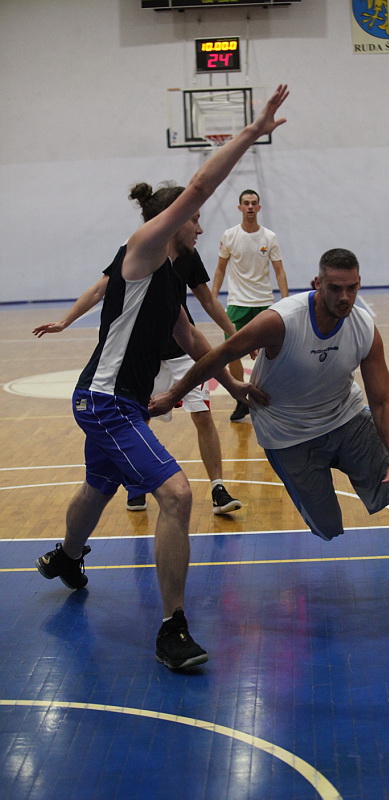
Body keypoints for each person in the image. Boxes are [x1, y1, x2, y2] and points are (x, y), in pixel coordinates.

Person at [35, 84, 289, 671]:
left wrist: (234, 385)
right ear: (173, 220)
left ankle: (67, 557)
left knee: (98, 485)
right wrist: (253, 133)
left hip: (116, 401)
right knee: (176, 494)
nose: (200, 227)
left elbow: (192, 338)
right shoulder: (145, 248)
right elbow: (198, 185)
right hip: (104, 400)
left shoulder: (170, 276)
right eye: (195, 220)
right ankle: (172, 627)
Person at [149, 247, 389, 600]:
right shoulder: (281, 321)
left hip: (346, 418)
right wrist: (177, 394)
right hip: (288, 434)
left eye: (352, 288)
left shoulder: (364, 328)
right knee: (326, 526)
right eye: (335, 288)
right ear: (317, 283)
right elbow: (221, 354)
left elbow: (382, 402)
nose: (345, 297)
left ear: (359, 284)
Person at [33, 244, 243, 516]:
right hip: (145, 356)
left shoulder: (187, 255)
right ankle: (137, 486)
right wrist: (65, 321)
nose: (198, 229)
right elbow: (99, 289)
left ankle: (218, 488)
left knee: (202, 415)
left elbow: (206, 301)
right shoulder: (136, 252)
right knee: (137, 417)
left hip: (182, 353)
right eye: (194, 223)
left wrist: (233, 333)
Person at [211, 189, 289, 422]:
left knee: (273, 353)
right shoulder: (230, 236)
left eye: (254, 203)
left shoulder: (269, 237)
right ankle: (240, 400)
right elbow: (220, 268)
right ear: (240, 208)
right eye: (246, 203)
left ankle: (271, 397)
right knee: (231, 352)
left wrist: (286, 301)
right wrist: (212, 297)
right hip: (237, 303)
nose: (250, 207)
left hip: (264, 302)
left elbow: (279, 271)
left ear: (259, 207)